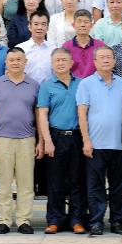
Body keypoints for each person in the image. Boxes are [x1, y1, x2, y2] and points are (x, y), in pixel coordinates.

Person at [0, 48, 40, 235]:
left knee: (26, 183)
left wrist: (40, 140)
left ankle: (24, 220)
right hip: (2, 139)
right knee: (4, 182)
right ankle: (4, 220)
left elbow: (38, 114)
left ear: (25, 62)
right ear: (6, 63)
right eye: (12, 60)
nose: (15, 63)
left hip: (27, 139)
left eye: (19, 60)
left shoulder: (34, 85)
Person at [78, 47, 122, 235]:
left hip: (119, 145)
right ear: (94, 62)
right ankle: (96, 221)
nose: (106, 60)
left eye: (109, 57)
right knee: (95, 186)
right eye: (101, 57)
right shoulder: (86, 84)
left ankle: (117, 221)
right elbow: (82, 114)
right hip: (96, 145)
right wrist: (86, 140)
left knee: (120, 186)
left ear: (115, 61)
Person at [38, 49, 88, 234]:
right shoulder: (46, 86)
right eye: (57, 60)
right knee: (55, 181)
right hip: (56, 137)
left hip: (76, 137)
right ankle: (55, 220)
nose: (60, 63)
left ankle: (77, 219)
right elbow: (42, 114)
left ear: (71, 63)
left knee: (77, 180)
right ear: (52, 64)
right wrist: (47, 140)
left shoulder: (82, 84)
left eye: (64, 60)